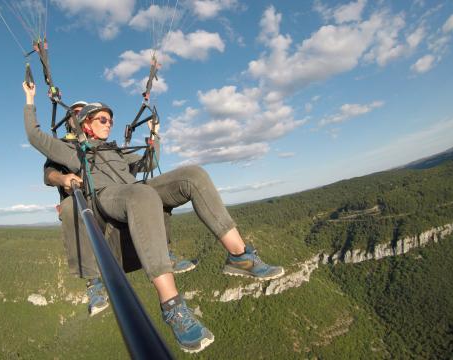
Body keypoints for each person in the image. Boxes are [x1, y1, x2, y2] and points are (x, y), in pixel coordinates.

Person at [22, 81, 284, 353]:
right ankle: (172, 307)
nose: (109, 123)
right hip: (106, 197)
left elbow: (148, 162)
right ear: (86, 123)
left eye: (111, 120)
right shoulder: (72, 150)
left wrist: (155, 135)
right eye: (103, 119)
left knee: (193, 175)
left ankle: (239, 255)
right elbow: (34, 135)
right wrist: (30, 99)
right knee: (143, 196)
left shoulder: (115, 150)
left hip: (133, 189)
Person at [44, 101, 196, 316]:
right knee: (70, 208)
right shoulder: (64, 146)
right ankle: (92, 281)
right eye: (74, 113)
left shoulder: (107, 146)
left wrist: (154, 138)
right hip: (81, 194)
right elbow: (49, 173)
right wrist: (64, 178)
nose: (77, 116)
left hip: (109, 192)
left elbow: (144, 164)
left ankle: (164, 252)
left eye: (81, 112)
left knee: (145, 192)